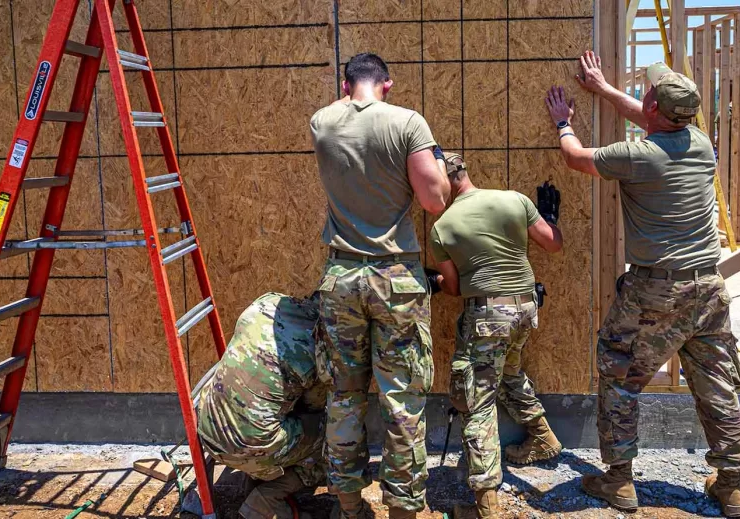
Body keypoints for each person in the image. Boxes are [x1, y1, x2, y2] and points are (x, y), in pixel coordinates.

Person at [544, 52, 740, 518]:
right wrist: (603, 89)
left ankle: (618, 482)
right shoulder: (699, 143)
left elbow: (576, 157)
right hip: (709, 289)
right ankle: (732, 487)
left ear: (655, 109)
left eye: (648, 94)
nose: (644, 97)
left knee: (619, 376)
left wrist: (563, 122)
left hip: (657, 291)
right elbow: (647, 116)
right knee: (717, 383)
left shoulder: (638, 156)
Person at [309, 52, 450, 519]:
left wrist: (349, 98)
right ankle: (405, 510)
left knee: (344, 397)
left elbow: (343, 109)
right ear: (387, 84)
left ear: (346, 84)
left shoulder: (322, 123)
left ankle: (348, 505)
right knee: (402, 401)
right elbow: (434, 200)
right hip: (395, 281)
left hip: (341, 278)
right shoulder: (408, 123)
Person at [427, 153, 564, 518]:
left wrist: (434, 282)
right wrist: (549, 217)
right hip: (525, 310)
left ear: (443, 180)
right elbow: (552, 243)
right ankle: (543, 437)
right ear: (466, 173)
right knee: (509, 372)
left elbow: (454, 289)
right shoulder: (513, 199)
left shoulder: (442, 227)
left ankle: (486, 503)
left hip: (488, 318)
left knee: (478, 402)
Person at [193, 292, 326, 519]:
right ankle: (267, 497)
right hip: (252, 449)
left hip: (207, 434)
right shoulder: (320, 347)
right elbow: (313, 409)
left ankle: (254, 478)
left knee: (267, 413)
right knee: (336, 437)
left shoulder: (266, 302)